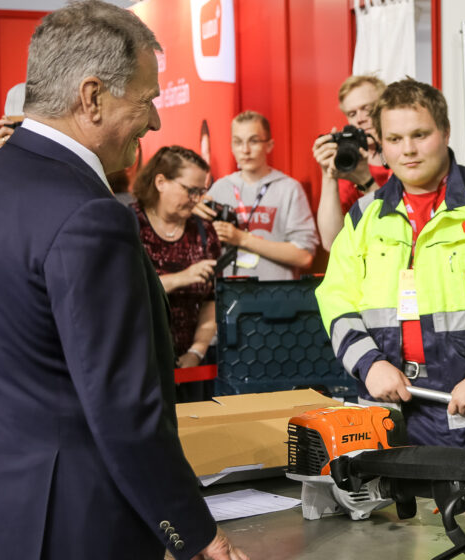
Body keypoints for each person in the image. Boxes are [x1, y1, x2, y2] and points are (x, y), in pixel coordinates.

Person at [0, 2, 246, 559]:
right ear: (91, 97)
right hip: (76, 524)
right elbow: (123, 405)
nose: (155, 121)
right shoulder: (88, 213)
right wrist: (195, 532)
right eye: (147, 99)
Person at [316, 78, 465, 448]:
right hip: (388, 408)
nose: (408, 150)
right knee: (395, 507)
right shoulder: (364, 216)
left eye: (420, 134)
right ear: (381, 145)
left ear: (446, 131)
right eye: (395, 139)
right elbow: (335, 298)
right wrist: (369, 363)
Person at [131, 145, 220, 403]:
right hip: (139, 364)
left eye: (200, 191)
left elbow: (211, 301)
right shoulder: (130, 226)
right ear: (161, 181)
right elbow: (123, 293)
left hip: (192, 368)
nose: (196, 199)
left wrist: (197, 350)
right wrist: (183, 277)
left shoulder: (204, 233)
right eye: (190, 190)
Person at [199, 111, 317, 280]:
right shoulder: (219, 189)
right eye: (238, 142)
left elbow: (304, 256)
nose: (245, 150)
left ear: (269, 145)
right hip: (228, 296)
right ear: (231, 146)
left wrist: (242, 239)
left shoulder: (289, 189)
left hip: (275, 296)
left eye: (253, 141)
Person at [313, 75, 393, 249]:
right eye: (352, 113)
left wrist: (366, 181)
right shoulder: (348, 166)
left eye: (368, 109)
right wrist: (328, 175)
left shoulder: (406, 157)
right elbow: (331, 242)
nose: (360, 119)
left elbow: (398, 229)